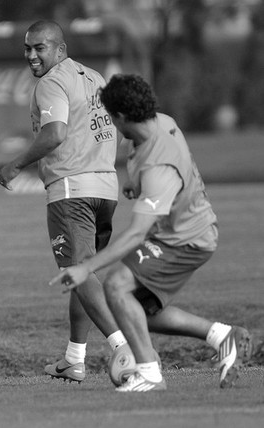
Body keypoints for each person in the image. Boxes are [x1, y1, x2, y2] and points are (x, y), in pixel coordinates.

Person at [50, 74, 252, 392]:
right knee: (135, 310)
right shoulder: (159, 122)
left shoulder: (159, 165)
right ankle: (222, 337)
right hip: (183, 231)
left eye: (110, 117)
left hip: (186, 239)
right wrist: (136, 184)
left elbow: (135, 233)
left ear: (120, 117)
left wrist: (85, 267)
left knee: (116, 285)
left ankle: (149, 374)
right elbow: (144, 160)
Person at [0, 20, 129, 383]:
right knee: (83, 273)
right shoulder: (96, 78)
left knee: (79, 271)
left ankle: (124, 347)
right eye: (27, 48)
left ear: (60, 49)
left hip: (71, 190)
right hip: (105, 189)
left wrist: (15, 164)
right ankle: (74, 358)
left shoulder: (51, 82)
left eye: (40, 47)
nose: (32, 55)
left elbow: (55, 134)